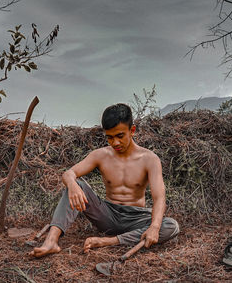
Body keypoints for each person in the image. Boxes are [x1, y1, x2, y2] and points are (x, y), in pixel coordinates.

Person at [30, 103, 179, 258]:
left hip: (136, 218)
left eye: (120, 136)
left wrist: (154, 227)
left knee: (170, 225)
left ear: (132, 130)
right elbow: (69, 173)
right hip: (107, 216)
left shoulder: (150, 159)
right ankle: (51, 241)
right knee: (77, 183)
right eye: (110, 137)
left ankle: (108, 241)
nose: (115, 143)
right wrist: (72, 184)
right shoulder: (100, 155)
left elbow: (159, 197)